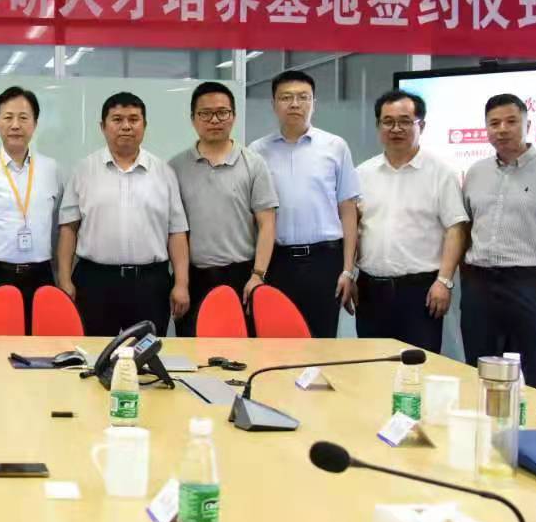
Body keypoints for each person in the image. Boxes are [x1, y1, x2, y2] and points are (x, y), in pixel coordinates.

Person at [460, 93, 536, 389]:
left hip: (527, 283)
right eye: (494, 123)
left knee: (531, 370)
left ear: (528, 124)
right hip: (479, 283)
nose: (502, 129)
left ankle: (535, 421)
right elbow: (465, 229)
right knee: (478, 368)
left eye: (511, 121)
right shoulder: (475, 173)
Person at [57, 92, 190, 338]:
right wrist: (64, 280)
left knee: (146, 353)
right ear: (103, 126)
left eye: (134, 119)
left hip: (150, 283)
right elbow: (68, 228)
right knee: (94, 353)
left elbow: (177, 232)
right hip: (95, 282)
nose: (126, 126)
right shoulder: (83, 170)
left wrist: (181, 283)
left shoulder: (164, 172)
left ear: (144, 125)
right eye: (117, 119)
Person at [354, 89, 467, 354]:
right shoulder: (362, 173)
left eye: (405, 121)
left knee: (418, 367)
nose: (396, 128)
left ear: (421, 126)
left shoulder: (441, 173)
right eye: (388, 121)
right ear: (378, 126)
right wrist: (349, 272)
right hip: (370, 289)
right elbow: (353, 228)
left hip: (420, 292)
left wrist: (444, 281)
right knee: (370, 366)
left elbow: (456, 229)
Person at [252, 70, 361, 339]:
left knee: (321, 342)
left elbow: (348, 211)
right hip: (277, 262)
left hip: (324, 261)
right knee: (276, 341)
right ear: (274, 104)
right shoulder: (257, 151)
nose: (295, 104)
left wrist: (348, 270)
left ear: (314, 103)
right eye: (286, 97)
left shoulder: (335, 147)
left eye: (303, 97)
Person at [168, 81, 278, 335]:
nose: (214, 120)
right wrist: (181, 282)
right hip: (194, 278)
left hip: (242, 275)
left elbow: (267, 223)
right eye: (205, 114)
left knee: (242, 350)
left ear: (233, 116)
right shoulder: (175, 167)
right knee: (194, 349)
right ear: (193, 119)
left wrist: (258, 275)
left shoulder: (254, 163)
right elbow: (176, 231)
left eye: (222, 112)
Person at [0, 86, 63, 333]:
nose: (15, 125)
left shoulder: (52, 170)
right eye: (8, 117)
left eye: (23, 117)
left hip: (41, 276)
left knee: (41, 349)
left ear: (35, 124)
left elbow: (58, 229)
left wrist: (61, 279)